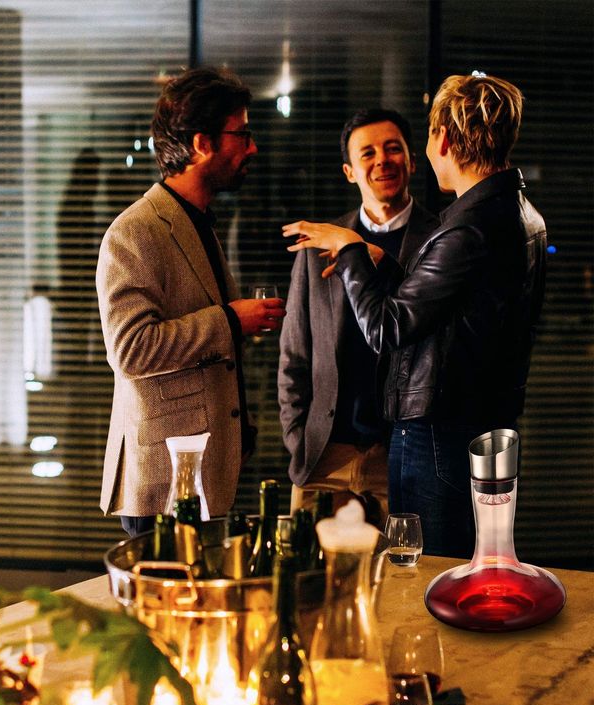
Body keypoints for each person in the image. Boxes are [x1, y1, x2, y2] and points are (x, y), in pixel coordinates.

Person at [283, 74, 546, 558]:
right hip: (468, 428)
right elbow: (453, 314)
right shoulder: (519, 214)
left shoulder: (464, 228)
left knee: (427, 576)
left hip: (439, 434)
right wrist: (388, 266)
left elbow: (387, 329)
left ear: (441, 140)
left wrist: (352, 251)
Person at [97, 66, 285, 536]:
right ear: (202, 144)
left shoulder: (198, 220)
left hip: (203, 472)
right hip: (162, 482)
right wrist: (230, 321)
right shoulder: (135, 231)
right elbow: (130, 350)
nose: (253, 148)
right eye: (242, 134)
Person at [278, 109, 438, 519]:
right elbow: (295, 355)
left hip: (401, 453)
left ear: (412, 161)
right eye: (367, 153)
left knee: (404, 563)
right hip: (324, 455)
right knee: (306, 562)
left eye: (392, 149)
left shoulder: (440, 240)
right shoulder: (320, 244)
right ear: (349, 172)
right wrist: (298, 439)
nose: (382, 160)